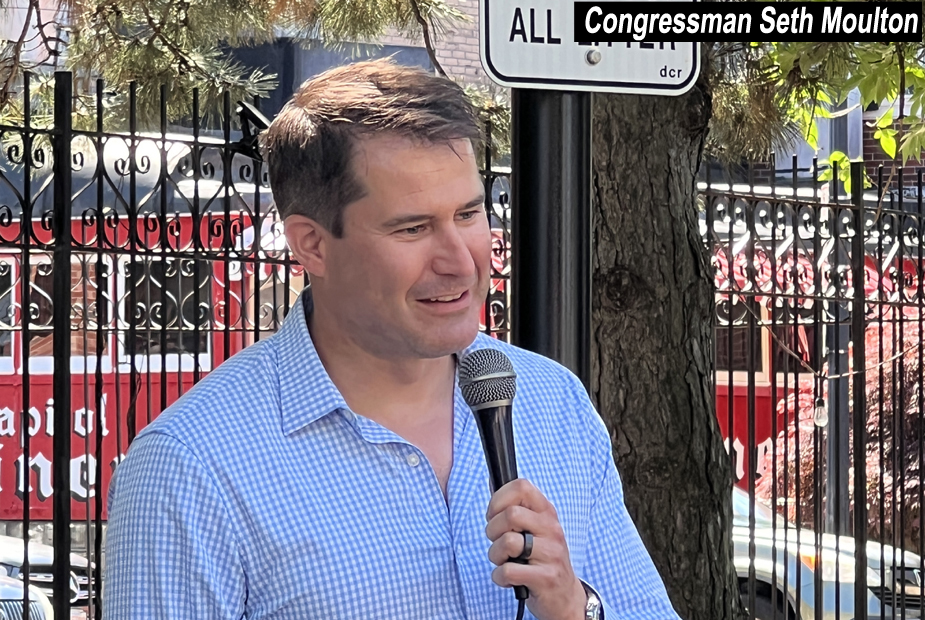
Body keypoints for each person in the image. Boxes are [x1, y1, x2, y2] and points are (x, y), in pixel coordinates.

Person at [103, 59, 681, 620]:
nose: (461, 261)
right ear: (312, 245)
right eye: (412, 228)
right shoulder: (192, 468)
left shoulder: (553, 403)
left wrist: (577, 608)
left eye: (470, 213)